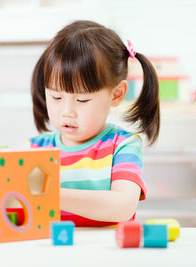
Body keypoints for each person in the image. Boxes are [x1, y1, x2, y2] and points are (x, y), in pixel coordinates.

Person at [28, 20, 160, 226]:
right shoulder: (36, 150)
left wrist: (49, 193)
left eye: (82, 100)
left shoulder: (123, 146)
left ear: (116, 94)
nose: (67, 112)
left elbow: (122, 207)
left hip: (108, 253)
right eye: (56, 97)